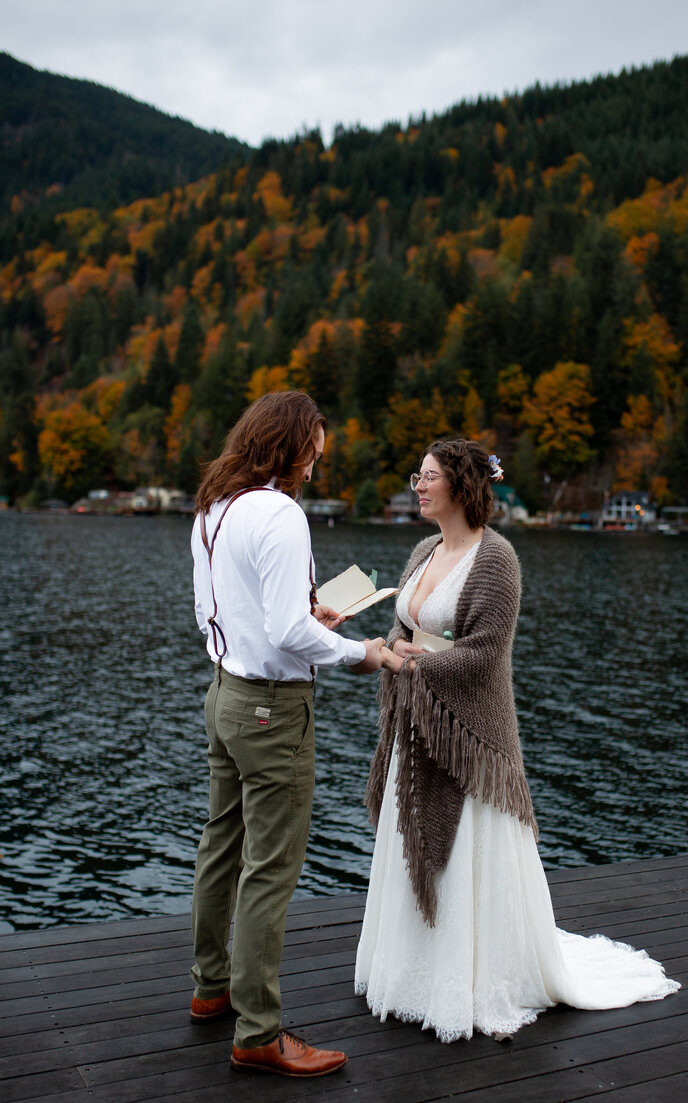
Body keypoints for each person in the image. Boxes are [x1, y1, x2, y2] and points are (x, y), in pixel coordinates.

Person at [355, 438, 680, 1043]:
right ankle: (410, 976)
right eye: (416, 476)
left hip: (467, 732)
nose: (418, 486)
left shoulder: (497, 557)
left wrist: (410, 667)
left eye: (427, 477)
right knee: (412, 840)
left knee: (468, 856)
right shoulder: (423, 550)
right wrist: (390, 649)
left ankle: (474, 981)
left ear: (459, 486)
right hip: (416, 723)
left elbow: (484, 652)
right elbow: (403, 624)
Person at [189, 391, 384, 1077]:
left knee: (222, 845)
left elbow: (223, 606)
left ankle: (211, 989)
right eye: (313, 454)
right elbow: (284, 632)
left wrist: (304, 615)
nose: (314, 468)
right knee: (268, 869)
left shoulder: (215, 505)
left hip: (223, 694)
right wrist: (365, 651)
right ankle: (259, 1031)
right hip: (271, 710)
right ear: (290, 445)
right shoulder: (280, 513)